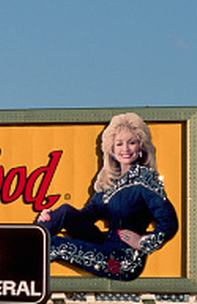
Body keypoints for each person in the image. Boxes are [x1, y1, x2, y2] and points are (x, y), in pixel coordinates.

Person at [36, 112, 178, 281]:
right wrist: (49, 217)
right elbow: (85, 217)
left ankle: (19, 258)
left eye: (132, 143)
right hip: (104, 245)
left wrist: (142, 242)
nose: (125, 149)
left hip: (122, 261)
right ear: (111, 149)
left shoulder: (145, 181)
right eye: (119, 144)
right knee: (65, 211)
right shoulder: (110, 182)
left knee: (55, 245)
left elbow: (170, 223)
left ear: (141, 147)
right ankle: (28, 238)